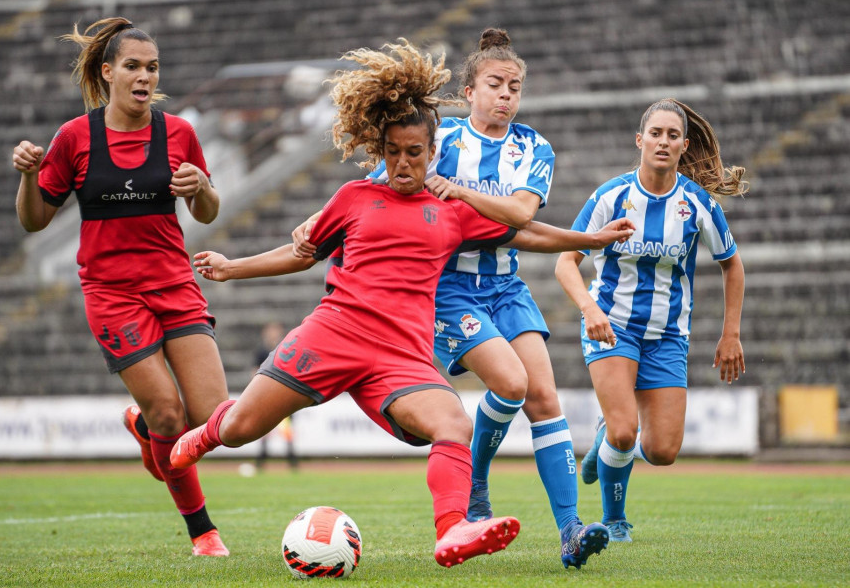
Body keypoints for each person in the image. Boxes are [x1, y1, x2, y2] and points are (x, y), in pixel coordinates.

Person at [170, 39, 634, 569]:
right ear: (381, 151)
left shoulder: (453, 210)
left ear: (434, 153)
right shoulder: (354, 198)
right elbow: (301, 254)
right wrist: (233, 267)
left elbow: (523, 232)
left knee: (453, 424)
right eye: (393, 153)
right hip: (332, 336)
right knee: (238, 431)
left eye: (415, 153)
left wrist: (589, 241)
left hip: (401, 356)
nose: (403, 163)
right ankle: (206, 433)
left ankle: (453, 530)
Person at [292, 28, 608, 569]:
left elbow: (521, 216)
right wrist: (313, 225)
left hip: (506, 284)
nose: (506, 95)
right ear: (469, 90)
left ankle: (570, 532)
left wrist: (461, 191)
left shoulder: (534, 147)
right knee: (511, 382)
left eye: (515, 86)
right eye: (495, 84)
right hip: (447, 290)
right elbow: (375, 189)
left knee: (545, 401)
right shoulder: (440, 140)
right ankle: (476, 485)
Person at [11, 17, 229, 556]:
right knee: (168, 416)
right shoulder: (74, 137)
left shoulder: (178, 133)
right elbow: (34, 221)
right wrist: (26, 176)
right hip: (111, 293)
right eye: (132, 66)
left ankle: (151, 441)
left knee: (212, 419)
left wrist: (201, 187)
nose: (144, 77)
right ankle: (204, 533)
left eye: (152, 68)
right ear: (107, 72)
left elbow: (207, 209)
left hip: (174, 284)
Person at [555, 98, 748, 543]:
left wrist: (730, 334)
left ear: (683, 146)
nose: (663, 142)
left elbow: (732, 264)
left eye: (673, 135)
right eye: (655, 134)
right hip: (612, 328)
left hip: (667, 337)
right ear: (639, 140)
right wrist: (590, 309)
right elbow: (566, 263)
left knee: (663, 452)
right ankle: (616, 518)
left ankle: (606, 440)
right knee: (626, 433)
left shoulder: (697, 204)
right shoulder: (611, 196)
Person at [252, 321, 299, 472]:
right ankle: (262, 459)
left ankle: (291, 459)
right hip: (267, 395)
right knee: (264, 430)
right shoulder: (261, 352)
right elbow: (255, 371)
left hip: (284, 395)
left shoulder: (286, 349)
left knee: (287, 430)